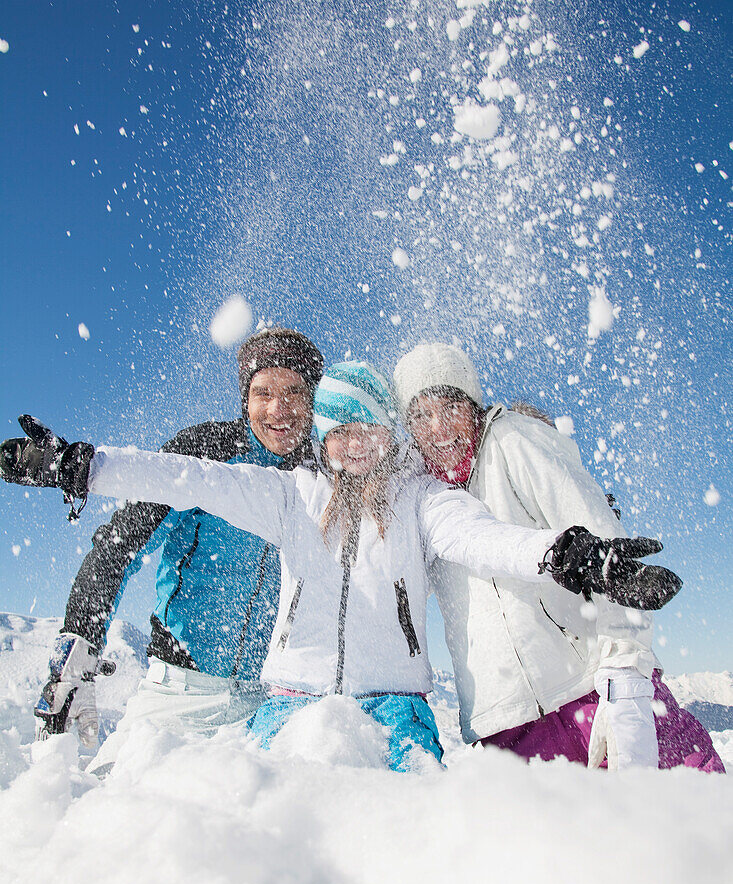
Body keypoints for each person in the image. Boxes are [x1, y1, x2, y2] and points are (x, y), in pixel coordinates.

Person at [1, 362, 682, 773]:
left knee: (406, 851)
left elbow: (482, 538)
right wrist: (86, 465)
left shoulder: (421, 500)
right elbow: (188, 479)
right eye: (340, 433)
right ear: (323, 441)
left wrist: (560, 553)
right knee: (273, 853)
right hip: (290, 704)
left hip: (398, 708)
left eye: (368, 431)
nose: (354, 446)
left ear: (388, 435)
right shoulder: (287, 495)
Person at [392, 342, 724, 772]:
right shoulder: (419, 496)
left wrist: (625, 675)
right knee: (562, 841)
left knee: (694, 817)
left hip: (589, 686)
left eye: (451, 405)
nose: (439, 428)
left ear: (474, 405)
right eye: (420, 415)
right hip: (507, 722)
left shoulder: (513, 440)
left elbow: (606, 556)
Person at [32, 327, 323, 774]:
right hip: (177, 696)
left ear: (313, 399)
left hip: (273, 706)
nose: (278, 408)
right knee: (111, 827)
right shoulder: (203, 453)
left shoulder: (325, 474)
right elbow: (118, 545)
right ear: (245, 400)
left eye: (293, 392)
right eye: (263, 392)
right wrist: (76, 650)